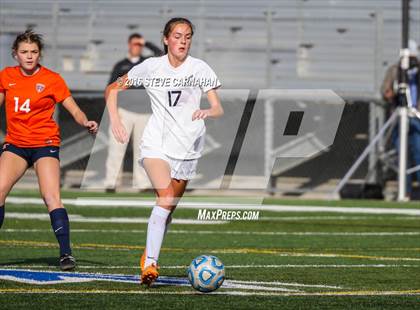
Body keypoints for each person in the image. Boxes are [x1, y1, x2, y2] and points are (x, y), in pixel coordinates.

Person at [105, 17, 223, 285]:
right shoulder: (151, 67)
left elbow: (217, 107)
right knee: (166, 196)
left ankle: (148, 254)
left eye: (188, 36)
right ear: (166, 40)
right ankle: (150, 265)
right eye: (178, 36)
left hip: (188, 145)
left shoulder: (200, 67)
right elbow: (112, 89)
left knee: (168, 207)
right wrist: (115, 119)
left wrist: (209, 110)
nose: (183, 41)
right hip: (156, 143)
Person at [0, 30, 98, 270]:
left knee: (51, 196)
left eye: (34, 52)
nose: (29, 56)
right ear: (15, 54)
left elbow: (74, 109)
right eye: (24, 52)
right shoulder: (6, 76)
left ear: (40, 54)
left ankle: (66, 254)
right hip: (16, 145)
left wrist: (85, 121)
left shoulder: (52, 79)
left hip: (45, 144)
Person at [105, 33, 162, 192]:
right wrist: (115, 114)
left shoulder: (147, 63)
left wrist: (146, 42)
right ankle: (111, 183)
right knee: (116, 149)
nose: (136, 47)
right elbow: (111, 89)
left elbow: (161, 54)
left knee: (142, 150)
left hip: (145, 113)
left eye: (139, 44)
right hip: (124, 113)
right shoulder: (120, 65)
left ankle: (142, 184)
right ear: (129, 45)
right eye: (134, 44)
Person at [381, 39, 420, 199]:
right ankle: (406, 191)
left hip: (417, 118)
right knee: (402, 156)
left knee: (419, 153)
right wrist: (392, 92)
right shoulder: (395, 71)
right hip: (399, 118)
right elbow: (385, 91)